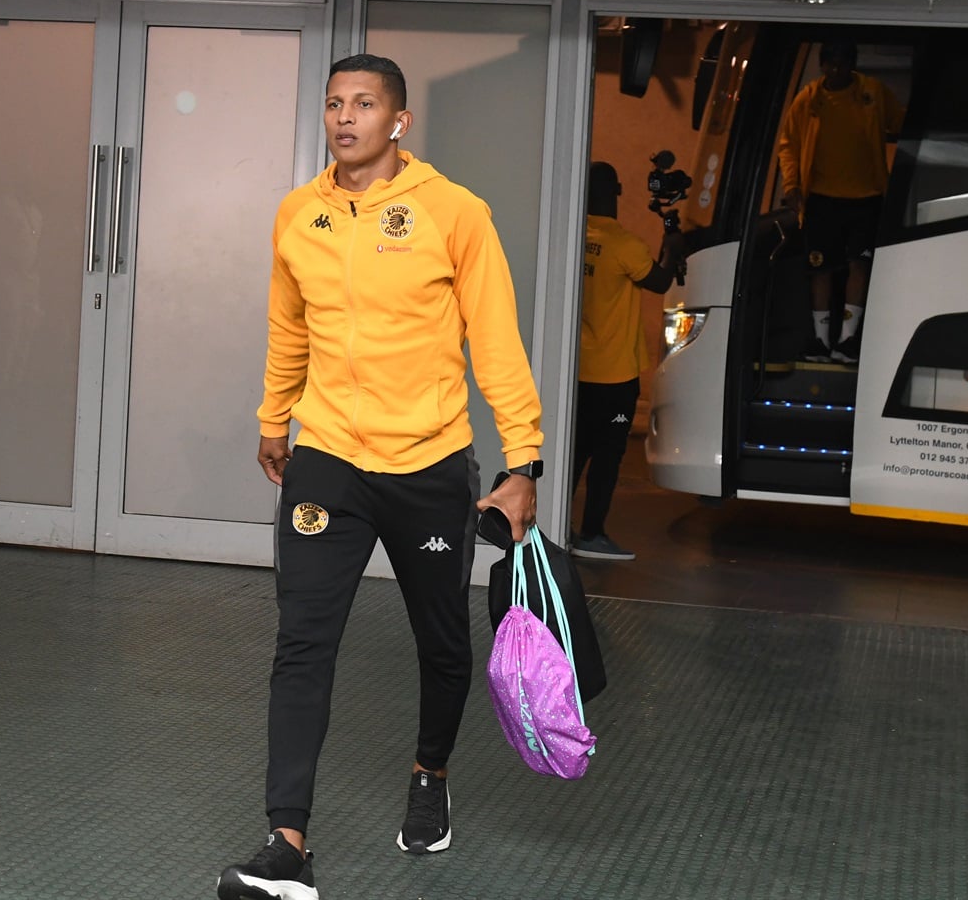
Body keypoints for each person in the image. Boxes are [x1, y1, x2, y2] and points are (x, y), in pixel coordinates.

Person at [216, 54, 544, 900]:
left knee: (441, 639)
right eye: (333, 103)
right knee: (303, 638)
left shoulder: (454, 213)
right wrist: (273, 416)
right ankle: (287, 843)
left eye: (364, 104)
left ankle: (430, 770)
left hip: (429, 460)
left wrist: (523, 460)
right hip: (328, 456)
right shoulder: (299, 214)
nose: (345, 117)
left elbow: (495, 340)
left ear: (399, 121)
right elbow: (289, 323)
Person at [570, 161, 684, 562]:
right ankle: (592, 534)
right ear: (616, 194)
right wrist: (672, 242)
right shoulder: (624, 244)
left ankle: (555, 529)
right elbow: (661, 280)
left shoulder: (573, 235)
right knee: (607, 458)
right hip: (614, 376)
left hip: (576, 371)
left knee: (576, 452)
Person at [777, 37, 905, 365]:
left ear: (852, 65)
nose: (835, 71)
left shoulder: (872, 93)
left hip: (867, 197)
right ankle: (820, 341)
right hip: (821, 199)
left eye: (842, 65)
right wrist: (792, 185)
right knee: (820, 268)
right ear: (822, 66)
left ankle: (847, 340)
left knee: (858, 266)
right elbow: (788, 143)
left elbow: (900, 123)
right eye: (829, 65)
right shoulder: (809, 99)